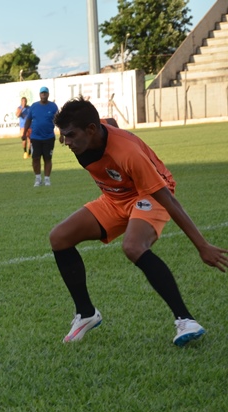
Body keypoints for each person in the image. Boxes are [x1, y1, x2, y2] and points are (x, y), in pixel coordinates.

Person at [50, 97, 228, 346]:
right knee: (59, 237)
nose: (66, 142)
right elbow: (108, 123)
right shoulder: (93, 130)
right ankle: (86, 313)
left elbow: (169, 201)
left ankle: (186, 320)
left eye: (70, 135)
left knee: (133, 247)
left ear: (91, 130)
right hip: (115, 198)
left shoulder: (128, 154)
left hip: (150, 195)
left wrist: (202, 245)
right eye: (63, 135)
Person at [23, 86, 58, 187]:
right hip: (36, 137)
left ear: (48, 94)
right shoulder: (34, 106)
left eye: (45, 93)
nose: (43, 94)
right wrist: (24, 133)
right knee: (35, 158)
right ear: (39, 94)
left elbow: (58, 120)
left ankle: (47, 179)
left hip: (49, 137)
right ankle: (38, 179)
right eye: (42, 93)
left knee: (48, 158)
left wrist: (62, 134)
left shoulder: (53, 106)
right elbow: (28, 120)